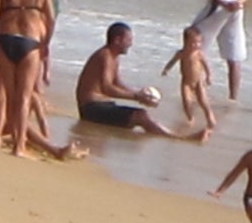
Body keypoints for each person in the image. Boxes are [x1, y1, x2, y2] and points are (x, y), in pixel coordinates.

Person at [76, 22, 209, 139]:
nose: (130, 44)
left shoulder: (113, 57)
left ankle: (171, 136)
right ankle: (177, 138)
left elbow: (117, 83)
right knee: (141, 116)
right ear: (117, 40)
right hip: (91, 109)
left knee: (136, 121)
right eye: (128, 40)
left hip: (102, 106)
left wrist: (140, 95)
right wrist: (136, 96)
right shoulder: (104, 56)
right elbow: (107, 88)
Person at [0, 0, 54, 157]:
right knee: (24, 98)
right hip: (29, 40)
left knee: (11, 95)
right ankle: (19, 146)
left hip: (6, 37)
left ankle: (14, 139)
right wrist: (46, 42)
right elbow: (50, 17)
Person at [161, 26, 216, 128]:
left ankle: (209, 116)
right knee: (186, 101)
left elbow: (206, 65)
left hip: (198, 81)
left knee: (203, 100)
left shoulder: (199, 54)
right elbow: (172, 62)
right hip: (186, 82)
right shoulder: (181, 53)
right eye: (193, 42)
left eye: (199, 42)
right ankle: (190, 118)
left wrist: (209, 76)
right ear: (185, 42)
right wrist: (166, 69)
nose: (196, 45)